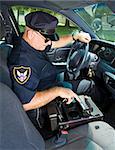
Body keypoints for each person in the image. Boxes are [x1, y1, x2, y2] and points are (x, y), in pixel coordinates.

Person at [8, 11, 96, 136]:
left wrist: (74, 37)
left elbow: (53, 44)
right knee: (89, 85)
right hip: (45, 97)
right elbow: (25, 104)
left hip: (49, 81)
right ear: (31, 34)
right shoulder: (22, 63)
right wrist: (57, 91)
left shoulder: (29, 42)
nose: (48, 42)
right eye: (46, 39)